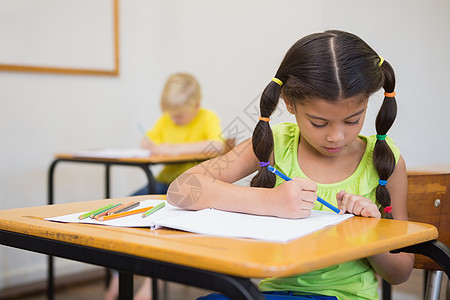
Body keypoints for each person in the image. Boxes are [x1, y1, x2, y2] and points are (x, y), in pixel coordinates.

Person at [166, 30, 413, 300]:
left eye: (352, 120)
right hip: (274, 293)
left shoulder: (385, 163)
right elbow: (182, 189)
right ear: (289, 103)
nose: (336, 136)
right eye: (319, 123)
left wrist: (370, 233)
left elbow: (400, 273)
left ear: (367, 102)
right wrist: (269, 201)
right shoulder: (275, 144)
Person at [104, 72, 225, 300]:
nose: (175, 120)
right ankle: (118, 279)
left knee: (163, 229)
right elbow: (148, 141)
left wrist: (173, 149)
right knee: (120, 213)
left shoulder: (208, 118)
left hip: (190, 189)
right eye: (172, 115)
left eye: (180, 116)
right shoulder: (165, 120)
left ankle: (151, 282)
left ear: (197, 105)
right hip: (160, 184)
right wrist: (148, 144)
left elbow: (217, 146)